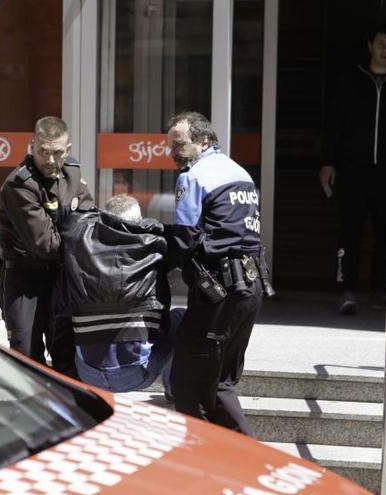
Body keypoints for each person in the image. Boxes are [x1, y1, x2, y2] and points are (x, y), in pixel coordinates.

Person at [164, 111, 268, 436]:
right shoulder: (240, 173)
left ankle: (246, 460)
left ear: (202, 140)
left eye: (178, 145)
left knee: (188, 385)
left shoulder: (194, 176)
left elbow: (183, 239)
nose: (172, 152)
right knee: (220, 382)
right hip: (250, 288)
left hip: (218, 294)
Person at [319, 24, 386, 315]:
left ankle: (382, 291)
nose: (385, 49)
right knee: (350, 231)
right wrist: (328, 161)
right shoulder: (351, 80)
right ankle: (345, 290)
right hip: (352, 169)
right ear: (370, 46)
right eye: (380, 43)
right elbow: (334, 123)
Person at [0, 116, 94, 377]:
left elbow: (89, 221)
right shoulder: (20, 185)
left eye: (57, 152)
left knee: (66, 353)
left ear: (68, 150)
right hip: (25, 278)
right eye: (43, 151)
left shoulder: (72, 172)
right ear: (32, 145)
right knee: (27, 355)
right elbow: (46, 245)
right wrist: (74, 235)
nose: (50, 160)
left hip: (63, 277)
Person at [58, 194, 175, 396]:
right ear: (139, 222)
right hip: (137, 374)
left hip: (88, 373)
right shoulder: (153, 249)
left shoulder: (80, 252)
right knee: (180, 318)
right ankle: (174, 390)